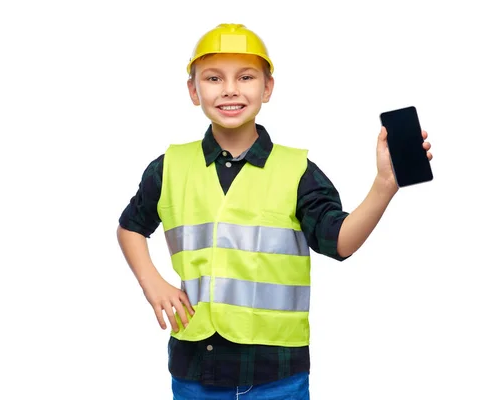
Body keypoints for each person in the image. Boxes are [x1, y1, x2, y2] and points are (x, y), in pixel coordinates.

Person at [116, 23, 433, 400]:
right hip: (194, 370)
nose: (230, 89)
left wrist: (384, 186)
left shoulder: (296, 170)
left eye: (246, 77)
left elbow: (340, 242)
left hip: (277, 377)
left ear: (267, 88)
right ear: (193, 90)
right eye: (214, 78)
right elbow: (130, 227)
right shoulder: (170, 166)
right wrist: (152, 282)